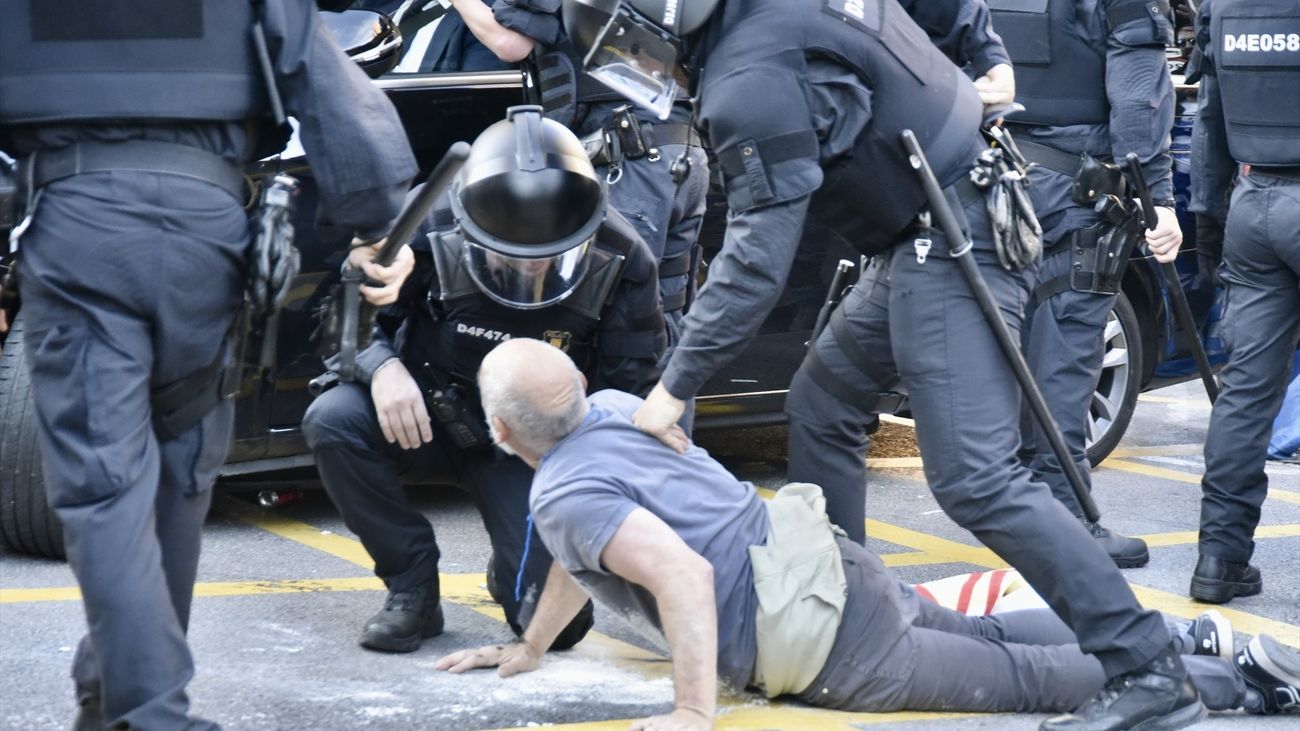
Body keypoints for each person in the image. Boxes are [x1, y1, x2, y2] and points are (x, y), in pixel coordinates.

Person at [558, 1, 1205, 728]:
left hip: (954, 232)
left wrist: (671, 389)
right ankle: (847, 605)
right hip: (930, 221)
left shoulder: (746, 79)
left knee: (978, 478)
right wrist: (986, 52)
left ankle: (1146, 663)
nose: (645, 70)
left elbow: (752, 266)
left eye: (638, 50)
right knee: (821, 403)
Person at [436, 338, 1300, 730]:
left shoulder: (561, 492)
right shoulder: (620, 409)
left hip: (821, 640)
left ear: (505, 436)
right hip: (825, 560)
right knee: (990, 633)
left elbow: (681, 577)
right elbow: (584, 557)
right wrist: (532, 645)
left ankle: (1244, 686)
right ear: (576, 387)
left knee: (1024, 674)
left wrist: (692, 710)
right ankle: (1192, 636)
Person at [0, 1, 418, 728]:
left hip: (80, 227)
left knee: (107, 486)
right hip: (207, 231)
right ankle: (113, 697)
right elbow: (321, 76)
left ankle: (153, 712)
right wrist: (375, 224)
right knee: (180, 473)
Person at [301, 106, 666, 654]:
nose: (529, 273)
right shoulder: (427, 219)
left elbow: (627, 394)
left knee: (561, 632)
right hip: (426, 412)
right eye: (512, 260)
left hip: (530, 445)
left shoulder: (621, 257)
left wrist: (571, 492)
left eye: (545, 261)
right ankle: (411, 589)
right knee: (333, 420)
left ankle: (513, 558)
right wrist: (381, 367)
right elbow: (337, 319)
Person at [983, 0, 1184, 568]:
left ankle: (1014, 512)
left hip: (986, 179)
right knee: (1066, 360)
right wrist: (1158, 199)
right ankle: (1065, 523)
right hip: (1074, 189)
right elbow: (1138, 100)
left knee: (1008, 353)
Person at [427, 0, 711, 387]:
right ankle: (661, 436)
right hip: (677, 152)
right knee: (664, 322)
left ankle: (613, 439)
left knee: (624, 319)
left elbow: (511, 45)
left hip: (630, 160)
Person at [1187, 0, 1300, 605]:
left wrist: (1209, 226)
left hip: (1253, 206)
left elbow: (1208, 121)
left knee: (1245, 397)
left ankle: (1219, 561)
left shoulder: (1225, 7)